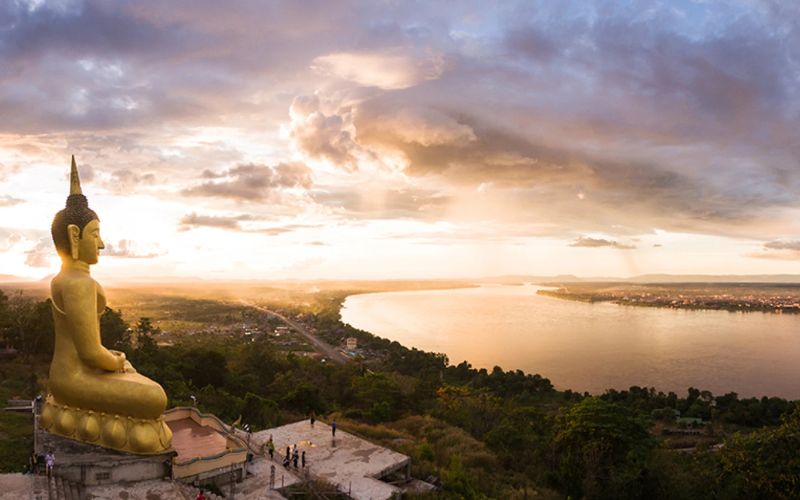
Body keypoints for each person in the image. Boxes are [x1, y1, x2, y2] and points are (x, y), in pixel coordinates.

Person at [40, 158, 170, 454]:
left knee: (140, 387)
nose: (101, 244)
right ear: (75, 236)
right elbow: (89, 352)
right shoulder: (79, 284)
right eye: (95, 234)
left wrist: (112, 360)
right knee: (155, 398)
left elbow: (87, 349)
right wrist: (118, 362)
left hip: (64, 377)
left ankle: (67, 413)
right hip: (75, 380)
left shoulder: (62, 279)